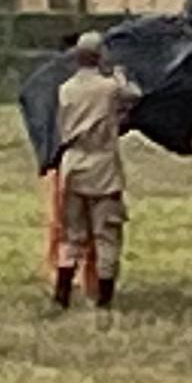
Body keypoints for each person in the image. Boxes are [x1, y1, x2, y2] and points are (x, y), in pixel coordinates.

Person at [46, 30, 134, 310]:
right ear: (100, 57)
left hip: (73, 166)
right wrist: (119, 75)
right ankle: (104, 300)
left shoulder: (65, 89)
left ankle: (62, 295)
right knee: (107, 234)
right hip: (103, 169)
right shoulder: (109, 88)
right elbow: (134, 95)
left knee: (73, 235)